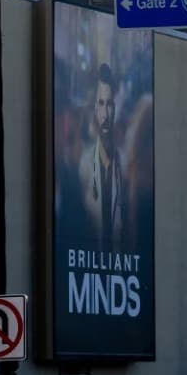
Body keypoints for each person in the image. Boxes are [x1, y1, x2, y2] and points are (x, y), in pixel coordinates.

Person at [77, 63, 126, 254]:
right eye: (100, 104)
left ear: (116, 108)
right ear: (94, 109)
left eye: (110, 104)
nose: (105, 114)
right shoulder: (84, 166)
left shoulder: (125, 166)